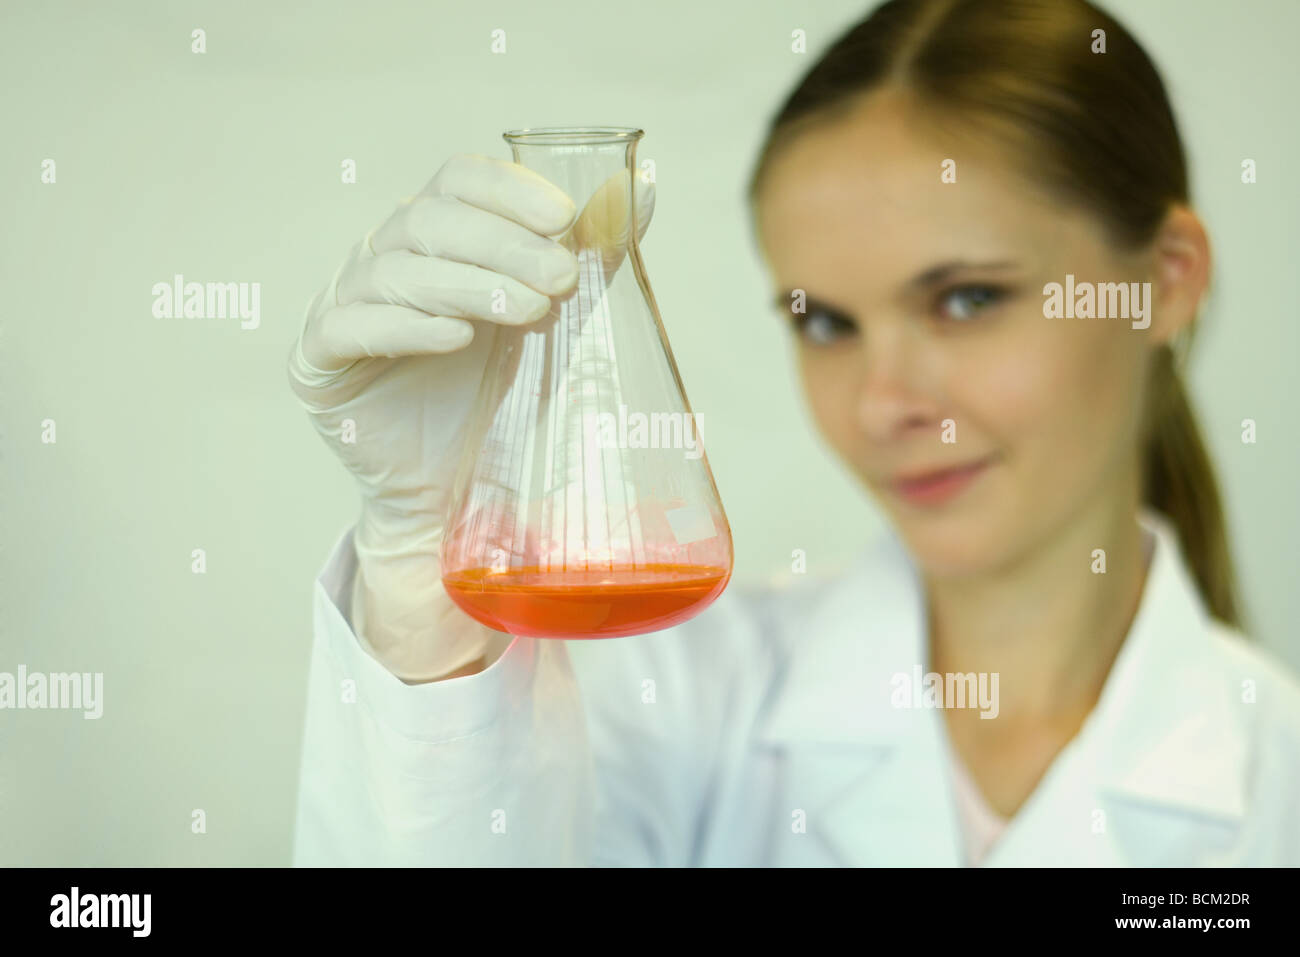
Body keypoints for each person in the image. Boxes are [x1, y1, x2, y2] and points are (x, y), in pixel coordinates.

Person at [287, 0, 1300, 866]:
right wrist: (424, 592)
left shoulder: (1277, 783)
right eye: (824, 322)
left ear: (1163, 282)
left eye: (965, 299)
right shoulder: (671, 697)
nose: (880, 403)